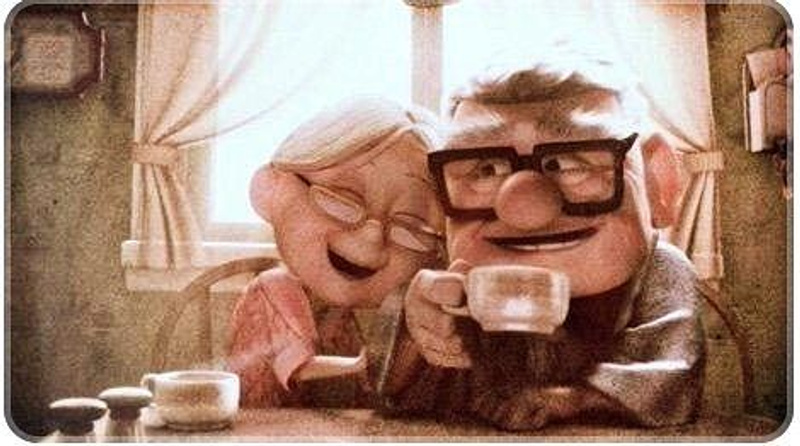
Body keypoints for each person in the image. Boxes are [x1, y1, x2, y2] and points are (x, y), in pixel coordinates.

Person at [378, 49, 706, 430]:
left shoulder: (663, 270)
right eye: (487, 168)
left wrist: (570, 399)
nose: (525, 206)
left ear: (657, 182)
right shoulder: (456, 277)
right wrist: (416, 335)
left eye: (570, 163)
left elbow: (672, 376)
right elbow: (394, 393)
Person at [228, 97, 445, 408]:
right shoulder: (275, 289)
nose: (372, 236)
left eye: (410, 226)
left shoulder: (340, 309)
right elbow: (296, 367)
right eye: (342, 201)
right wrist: (359, 366)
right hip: (266, 424)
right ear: (270, 189)